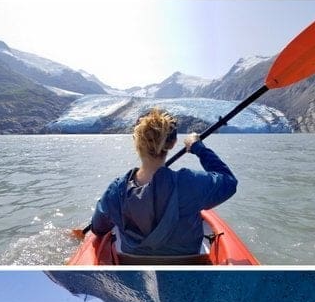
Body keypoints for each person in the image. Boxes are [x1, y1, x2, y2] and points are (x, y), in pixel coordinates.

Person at [91, 108, 237, 256]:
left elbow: (98, 228)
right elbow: (229, 181)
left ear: (136, 141)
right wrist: (198, 148)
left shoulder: (116, 191)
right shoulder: (190, 183)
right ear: (173, 143)